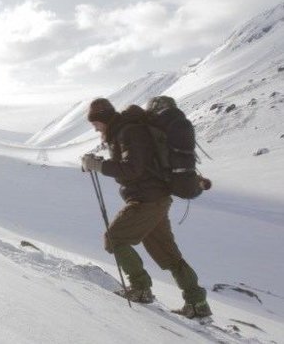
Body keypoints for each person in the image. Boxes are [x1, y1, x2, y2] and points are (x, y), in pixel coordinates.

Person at [81, 98, 212, 318]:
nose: (94, 128)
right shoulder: (125, 131)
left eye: (95, 123)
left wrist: (99, 165)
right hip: (155, 200)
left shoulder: (128, 132)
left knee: (114, 238)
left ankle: (140, 289)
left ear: (103, 119)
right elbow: (138, 164)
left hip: (146, 201)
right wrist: (101, 162)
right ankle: (197, 303)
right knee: (167, 254)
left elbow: (133, 169)